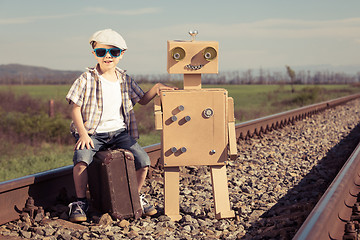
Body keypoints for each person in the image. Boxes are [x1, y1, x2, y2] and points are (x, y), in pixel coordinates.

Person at [66, 29, 176, 222]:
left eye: (113, 52)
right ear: (94, 54)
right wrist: (83, 134)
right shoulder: (86, 79)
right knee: (82, 159)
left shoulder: (124, 79)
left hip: (119, 133)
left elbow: (141, 100)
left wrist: (157, 88)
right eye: (102, 52)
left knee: (143, 161)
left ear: (121, 54)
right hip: (92, 133)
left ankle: (135, 196)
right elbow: (75, 108)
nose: (107, 56)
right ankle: (80, 202)